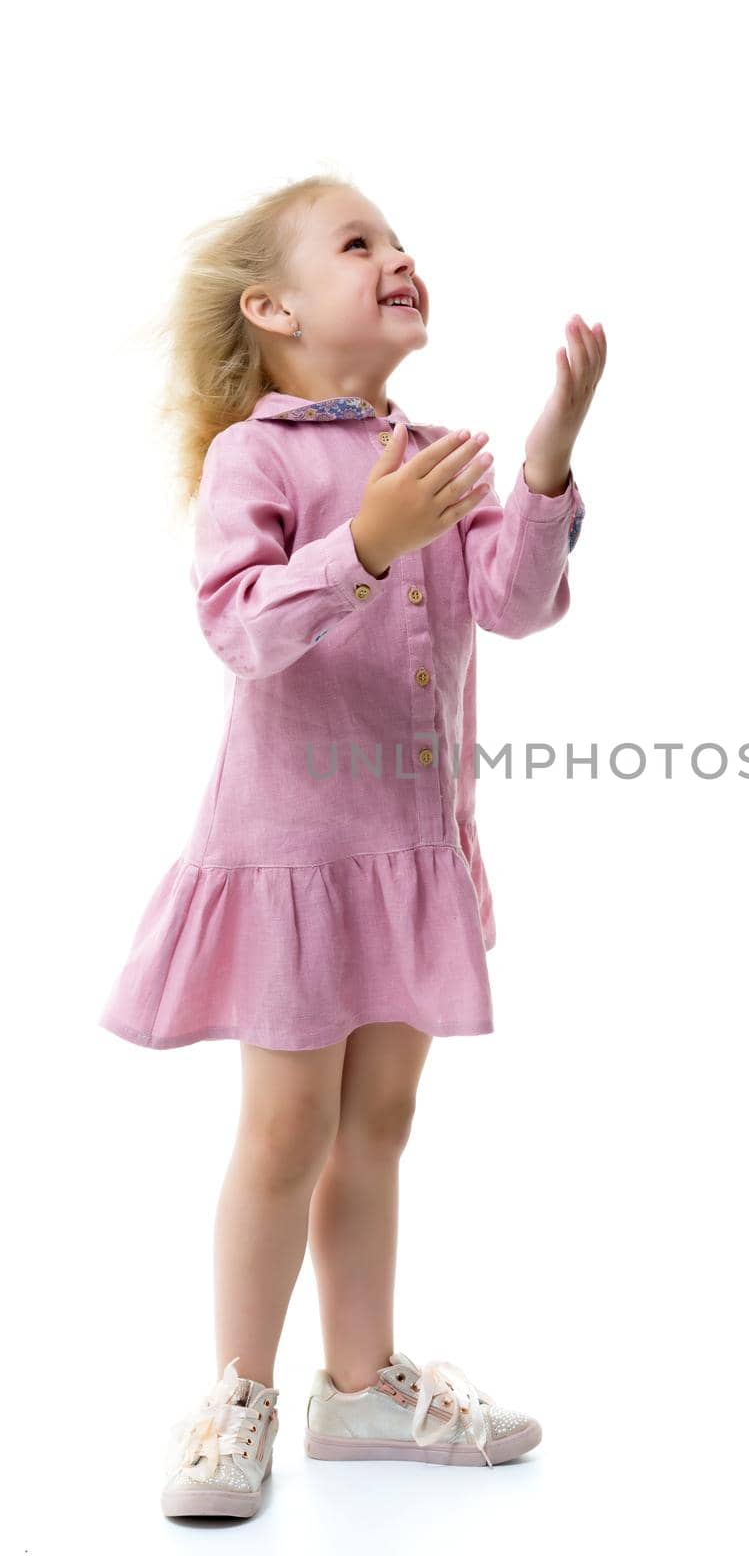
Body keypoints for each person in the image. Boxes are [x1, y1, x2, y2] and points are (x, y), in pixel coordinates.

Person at [94, 173, 605, 1520]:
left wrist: (545, 458)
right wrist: (366, 542)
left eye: (400, 240)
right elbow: (241, 626)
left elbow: (515, 603)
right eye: (358, 242)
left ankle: (359, 1383)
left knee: (380, 1121)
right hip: (295, 856)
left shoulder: (436, 448)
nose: (398, 257)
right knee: (283, 1131)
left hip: (412, 851)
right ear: (271, 308)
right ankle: (236, 1393)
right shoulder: (256, 458)